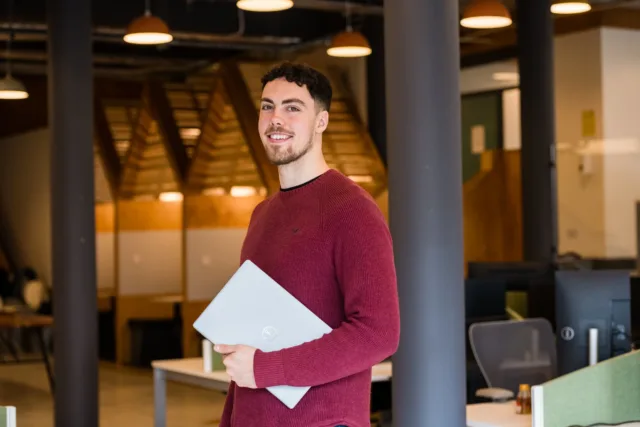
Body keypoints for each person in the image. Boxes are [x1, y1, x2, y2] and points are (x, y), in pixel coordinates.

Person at [214, 62, 400, 427]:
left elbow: (379, 333)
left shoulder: (352, 210)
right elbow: (250, 345)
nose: (275, 118)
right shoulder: (262, 215)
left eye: (292, 108)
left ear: (321, 122)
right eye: (267, 106)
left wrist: (266, 367)